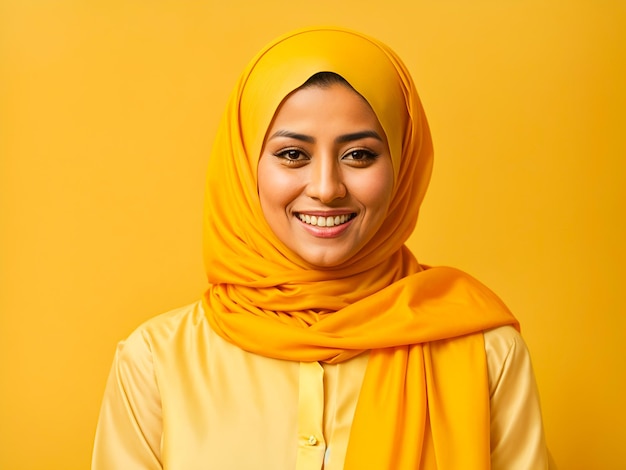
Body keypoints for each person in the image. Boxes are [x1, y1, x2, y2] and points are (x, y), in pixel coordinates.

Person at [92, 27, 549, 469]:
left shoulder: (484, 352)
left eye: (360, 155)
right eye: (293, 154)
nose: (327, 188)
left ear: (404, 164)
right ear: (245, 164)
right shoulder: (155, 363)